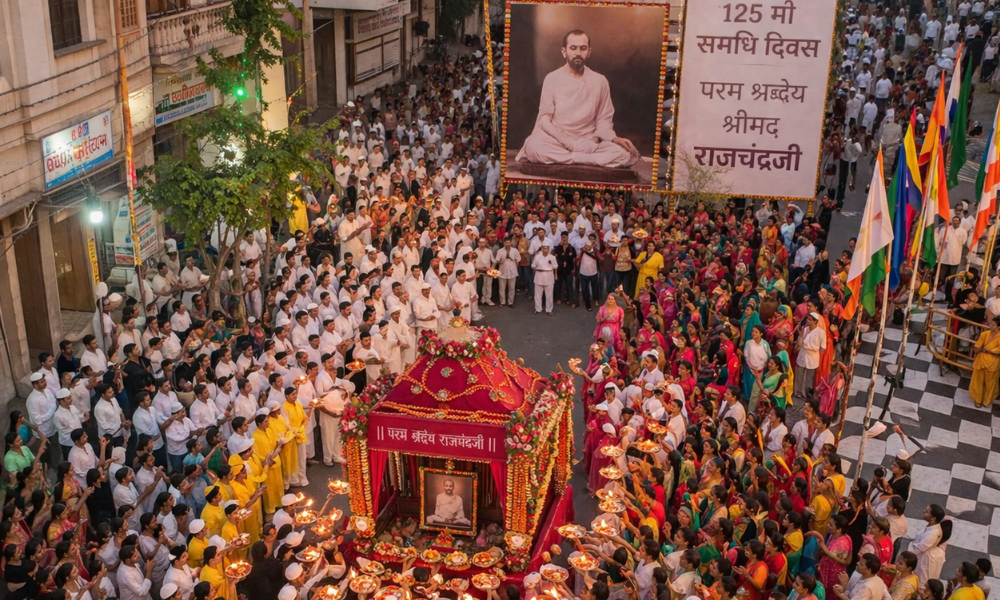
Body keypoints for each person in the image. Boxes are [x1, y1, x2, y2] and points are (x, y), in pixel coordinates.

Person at [515, 30, 640, 169]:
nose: (578, 52)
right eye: (573, 48)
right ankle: (582, 159)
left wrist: (606, 140)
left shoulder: (600, 81)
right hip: (558, 141)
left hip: (589, 143)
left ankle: (573, 158)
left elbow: (604, 119)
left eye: (583, 48)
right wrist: (568, 142)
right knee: (533, 146)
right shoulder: (552, 78)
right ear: (564, 51)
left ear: (589, 52)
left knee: (624, 154)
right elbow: (544, 119)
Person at [970, 315, 1000, 406]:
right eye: (991, 324)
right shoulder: (984, 334)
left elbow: (998, 351)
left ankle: (987, 400)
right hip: (981, 360)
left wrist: (987, 350)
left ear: (999, 327)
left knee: (990, 382)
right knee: (978, 380)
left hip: (993, 363)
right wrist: (977, 348)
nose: (991, 326)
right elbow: (977, 347)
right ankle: (977, 399)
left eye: (993, 325)